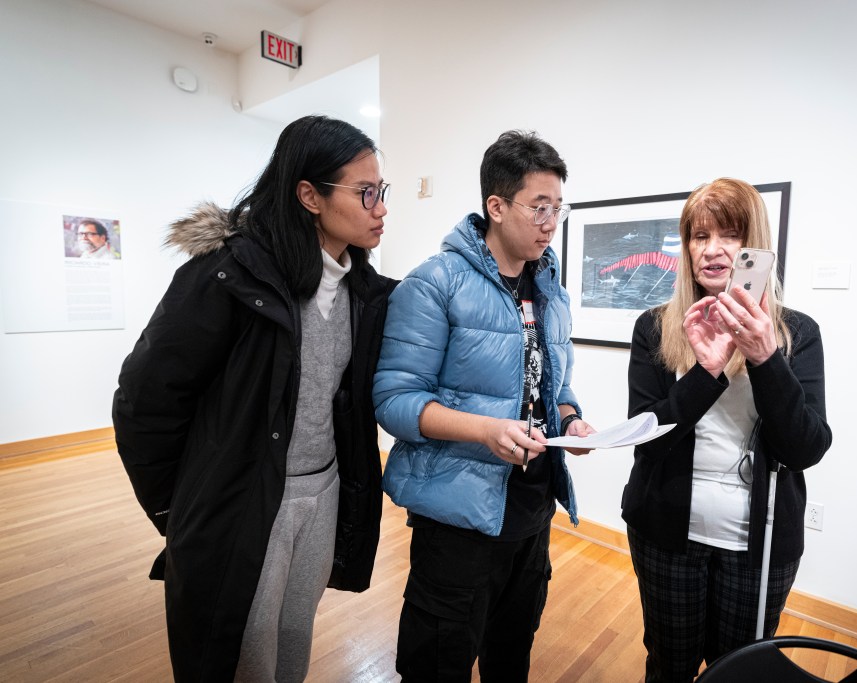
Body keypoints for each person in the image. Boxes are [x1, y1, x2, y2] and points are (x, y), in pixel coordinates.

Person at [112, 115, 397, 682]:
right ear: (309, 196)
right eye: (365, 193)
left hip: (324, 493)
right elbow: (145, 400)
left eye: (381, 191)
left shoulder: (363, 292)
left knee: (292, 644)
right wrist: (181, 508)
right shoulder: (225, 276)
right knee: (243, 657)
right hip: (246, 501)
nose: (381, 207)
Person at [372, 130, 595, 682]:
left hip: (530, 509)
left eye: (557, 209)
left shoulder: (550, 288)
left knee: (511, 652)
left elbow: (553, 386)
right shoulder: (434, 285)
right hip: (457, 517)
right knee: (439, 661)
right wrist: (484, 430)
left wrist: (571, 419)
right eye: (538, 207)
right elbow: (394, 401)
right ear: (496, 206)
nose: (550, 222)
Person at [622, 178, 832, 681]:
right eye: (698, 236)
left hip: (757, 544)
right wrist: (706, 373)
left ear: (753, 243)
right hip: (666, 536)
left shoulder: (796, 333)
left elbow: (805, 446)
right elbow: (648, 442)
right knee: (669, 665)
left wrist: (763, 358)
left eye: (730, 234)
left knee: (737, 672)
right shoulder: (655, 327)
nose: (712, 250)